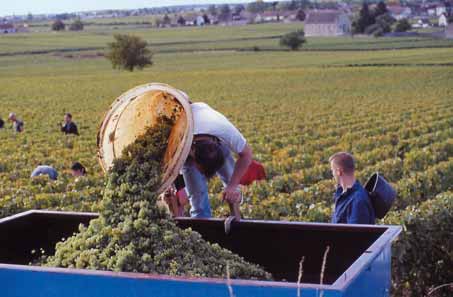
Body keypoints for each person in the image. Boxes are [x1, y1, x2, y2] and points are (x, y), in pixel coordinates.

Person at [181, 101, 253, 220]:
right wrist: (177, 188)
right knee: (197, 196)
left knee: (232, 184)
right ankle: (201, 223)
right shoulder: (180, 140)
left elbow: (247, 154)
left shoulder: (225, 130)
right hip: (188, 137)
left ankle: (236, 215)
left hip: (212, 136)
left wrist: (232, 185)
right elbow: (169, 165)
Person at [330, 152, 375, 225]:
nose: (332, 174)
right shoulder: (341, 192)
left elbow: (355, 234)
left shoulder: (358, 200)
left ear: (339, 171)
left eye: (332, 170)